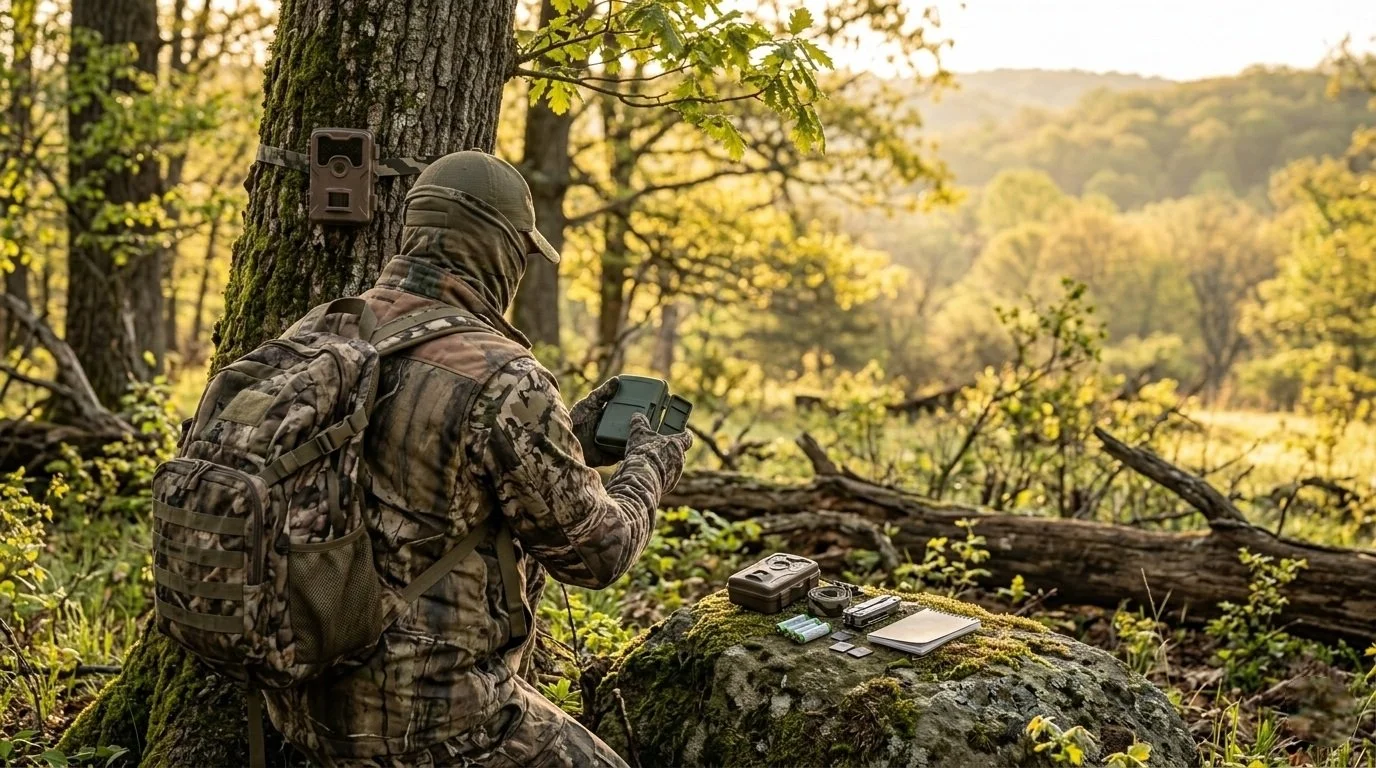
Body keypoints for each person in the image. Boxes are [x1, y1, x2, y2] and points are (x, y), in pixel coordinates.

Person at [262, 151, 692, 767]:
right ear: (501, 252)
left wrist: (570, 440)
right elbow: (597, 552)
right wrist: (649, 465)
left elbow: (423, 472)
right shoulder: (502, 376)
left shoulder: (320, 332)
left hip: (297, 696)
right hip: (432, 721)